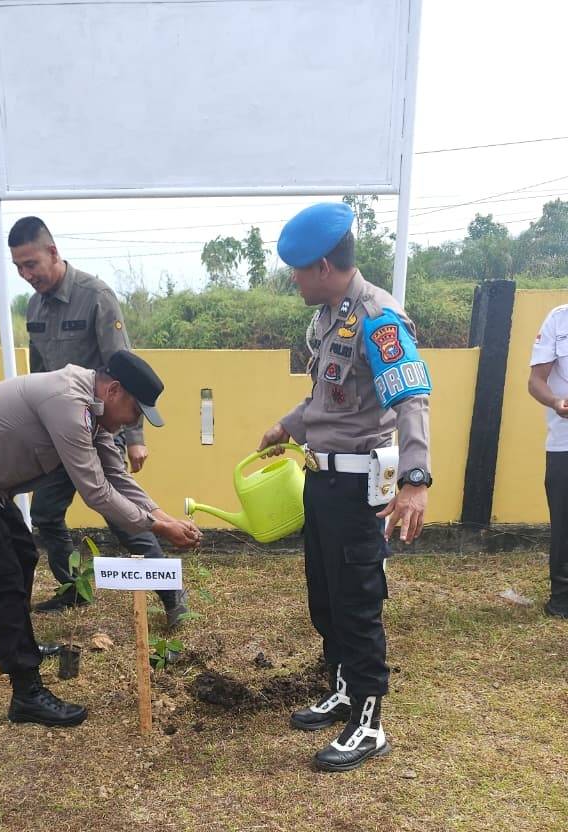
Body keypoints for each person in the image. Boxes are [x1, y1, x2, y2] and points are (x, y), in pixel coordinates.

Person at [0, 350, 201, 727]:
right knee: (5, 577)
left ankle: (13, 646)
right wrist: (158, 528)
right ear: (113, 390)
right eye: (135, 411)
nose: (133, 421)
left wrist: (162, 515)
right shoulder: (68, 403)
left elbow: (117, 475)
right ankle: (26, 692)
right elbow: (96, 491)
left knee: (23, 554)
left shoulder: (93, 410)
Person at [257, 202, 432, 773]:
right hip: (321, 480)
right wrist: (287, 424)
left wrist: (415, 480)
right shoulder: (332, 316)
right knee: (326, 598)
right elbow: (327, 401)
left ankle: (370, 724)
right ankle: (342, 690)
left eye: (298, 269)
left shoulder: (379, 317)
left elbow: (410, 399)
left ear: (325, 265)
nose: (293, 280)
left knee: (357, 606)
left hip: (361, 490)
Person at [8, 216, 188, 626]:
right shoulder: (34, 307)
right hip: (58, 433)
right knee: (47, 514)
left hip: (100, 427)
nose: (26, 275)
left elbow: (124, 369)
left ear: (53, 252)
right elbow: (40, 375)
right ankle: (74, 588)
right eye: (18, 267)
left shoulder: (96, 297)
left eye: (31, 263)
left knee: (123, 515)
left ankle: (173, 596)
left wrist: (135, 436)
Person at [529, 305, 568, 619]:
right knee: (565, 524)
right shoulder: (559, 319)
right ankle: (563, 598)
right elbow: (536, 381)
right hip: (564, 443)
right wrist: (556, 401)